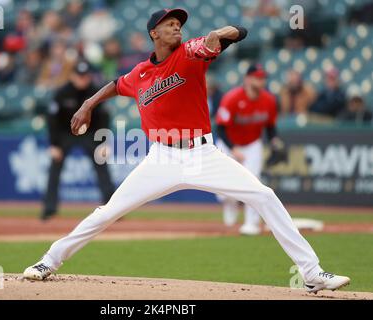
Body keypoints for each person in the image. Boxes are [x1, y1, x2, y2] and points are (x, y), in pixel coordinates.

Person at [24, 8, 350, 293]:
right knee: (108, 212)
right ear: (154, 33)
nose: (177, 26)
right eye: (169, 23)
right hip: (162, 158)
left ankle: (311, 273)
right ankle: (48, 261)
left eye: (179, 22)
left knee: (263, 195)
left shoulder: (191, 52)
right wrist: (88, 103)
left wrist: (222, 35)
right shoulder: (140, 74)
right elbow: (117, 84)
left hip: (203, 154)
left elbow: (232, 36)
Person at [41, 59, 115, 220]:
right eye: (79, 76)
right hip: (65, 134)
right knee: (55, 167)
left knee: (102, 165)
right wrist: (54, 145)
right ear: (72, 76)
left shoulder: (96, 92)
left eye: (85, 76)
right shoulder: (62, 93)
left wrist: (103, 143)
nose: (82, 79)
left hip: (91, 134)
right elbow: (52, 120)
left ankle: (112, 209)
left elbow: (104, 118)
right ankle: (49, 208)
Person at [214, 64, 279, 236]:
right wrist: (233, 148)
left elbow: (270, 126)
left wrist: (274, 141)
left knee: (254, 183)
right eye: (258, 77)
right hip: (229, 144)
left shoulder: (269, 100)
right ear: (247, 79)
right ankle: (231, 208)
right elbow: (220, 127)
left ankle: (251, 223)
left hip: (252, 144)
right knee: (223, 186)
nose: (261, 80)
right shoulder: (232, 98)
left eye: (263, 77)